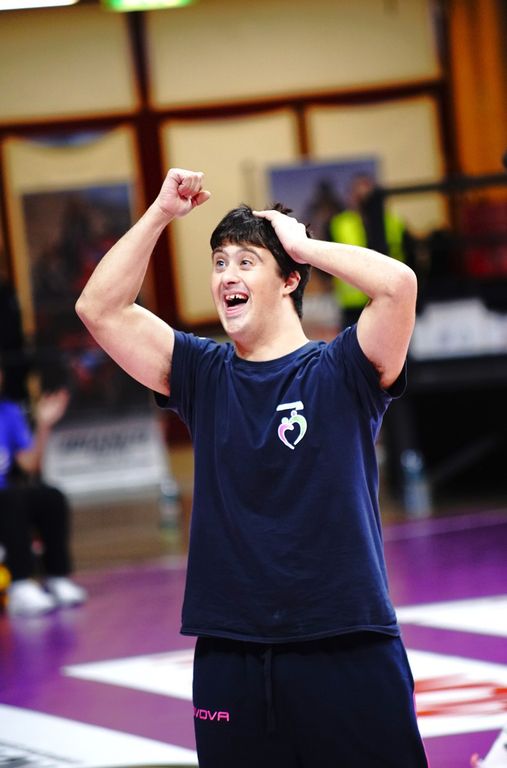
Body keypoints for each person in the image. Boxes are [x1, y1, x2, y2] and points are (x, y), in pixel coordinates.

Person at [76, 168, 427, 767]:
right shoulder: (202, 374)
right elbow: (99, 307)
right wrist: (160, 213)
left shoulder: (343, 369)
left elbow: (398, 286)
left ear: (289, 280)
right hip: (232, 654)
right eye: (218, 263)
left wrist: (304, 245)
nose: (226, 276)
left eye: (246, 261)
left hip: (347, 643)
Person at [0, 357, 87, 617]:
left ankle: (57, 577)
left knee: (50, 496)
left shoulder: (9, 412)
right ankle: (20, 585)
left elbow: (29, 465)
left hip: (6, 497)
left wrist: (43, 425)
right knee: (10, 499)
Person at [329, 172, 415, 328]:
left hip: (392, 298)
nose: (363, 201)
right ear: (350, 197)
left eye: (368, 196)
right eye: (359, 196)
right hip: (354, 305)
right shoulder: (339, 224)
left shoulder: (395, 222)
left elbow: (411, 258)